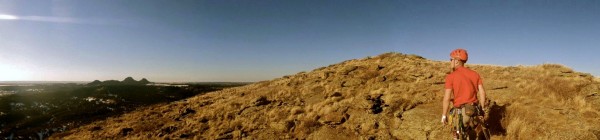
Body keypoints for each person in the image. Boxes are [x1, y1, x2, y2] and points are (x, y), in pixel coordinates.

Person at [440, 49, 488, 137]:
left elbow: (447, 98)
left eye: (451, 59)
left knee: (457, 135)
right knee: (473, 134)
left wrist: (444, 115)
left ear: (457, 61)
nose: (450, 62)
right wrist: (482, 109)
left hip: (461, 114)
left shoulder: (451, 77)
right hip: (474, 112)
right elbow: (482, 93)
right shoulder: (475, 74)